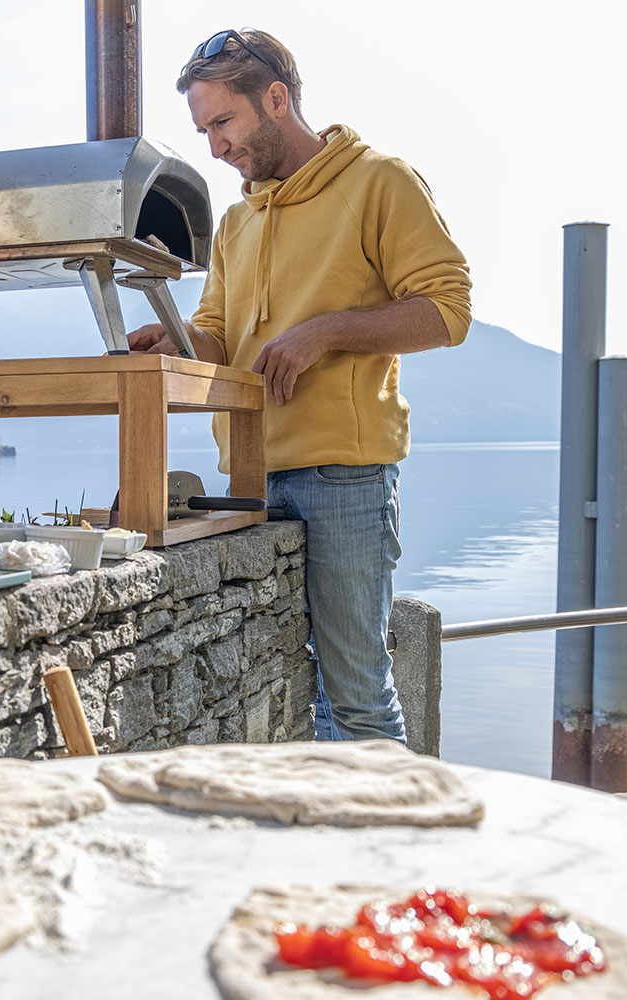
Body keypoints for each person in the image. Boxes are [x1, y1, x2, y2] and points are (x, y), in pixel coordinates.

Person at [128, 28, 472, 743]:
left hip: (344, 477)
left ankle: (392, 847)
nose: (214, 147)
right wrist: (179, 340)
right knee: (300, 690)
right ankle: (333, 842)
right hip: (249, 477)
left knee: (355, 693)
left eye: (223, 122)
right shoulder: (234, 221)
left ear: (276, 99)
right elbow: (220, 333)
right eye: (203, 130)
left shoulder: (380, 181)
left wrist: (325, 332)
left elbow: (447, 311)